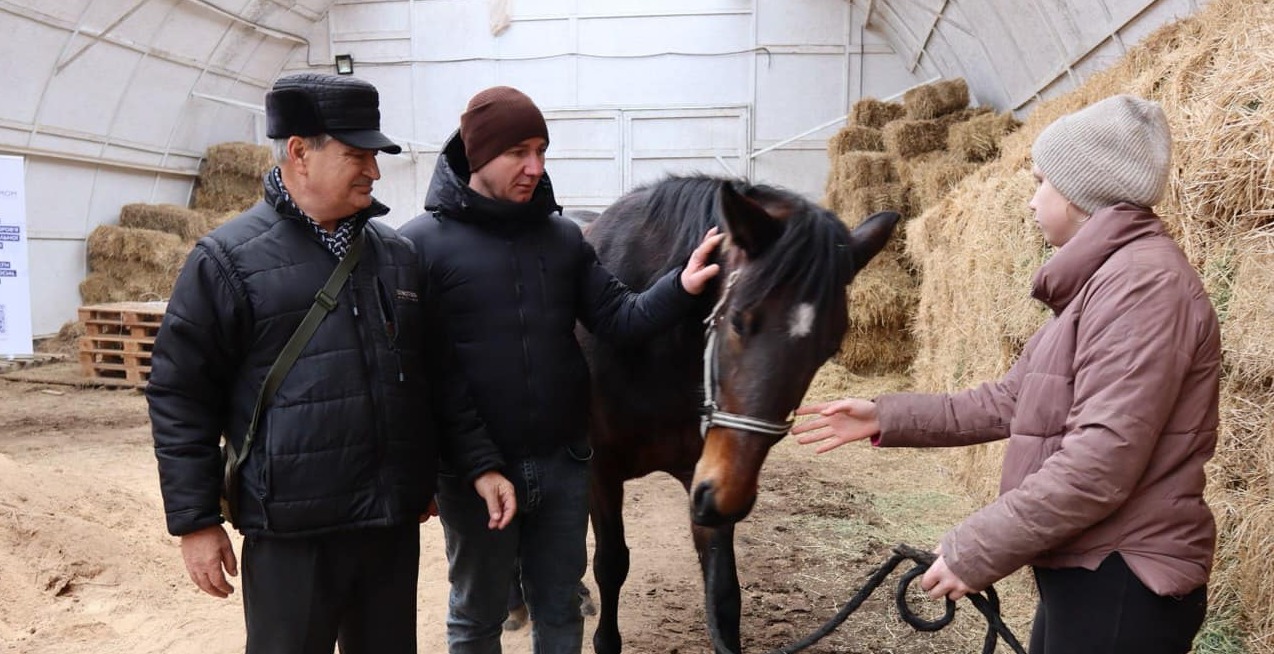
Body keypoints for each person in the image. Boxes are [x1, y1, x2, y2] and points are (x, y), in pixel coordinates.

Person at [793, 94, 1219, 654]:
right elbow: (1010, 400)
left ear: (1082, 192)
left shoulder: (1142, 289)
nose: (1030, 199)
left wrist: (977, 549)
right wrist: (886, 415)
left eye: (1041, 181)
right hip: (1091, 570)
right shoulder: (1108, 284)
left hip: (1122, 578)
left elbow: (1101, 462)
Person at [147, 72, 515, 654]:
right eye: (356, 155)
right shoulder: (226, 261)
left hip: (388, 525)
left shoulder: (397, 257)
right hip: (291, 533)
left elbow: (438, 380)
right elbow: (180, 394)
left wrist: (481, 465)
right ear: (299, 153)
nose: (373, 170)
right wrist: (195, 520)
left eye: (375, 156)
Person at [399, 85, 723, 654]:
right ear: (478, 155)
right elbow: (419, 375)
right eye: (519, 152)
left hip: (563, 464)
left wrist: (681, 285)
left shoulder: (561, 239)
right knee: (477, 617)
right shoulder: (421, 247)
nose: (535, 167)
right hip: (477, 474)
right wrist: (456, 465)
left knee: (560, 610)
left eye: (542, 151)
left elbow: (619, 317)